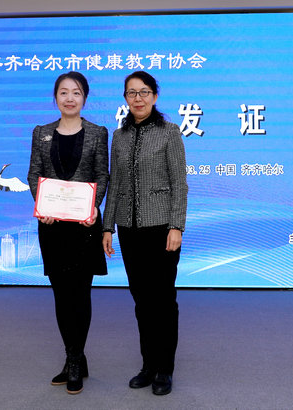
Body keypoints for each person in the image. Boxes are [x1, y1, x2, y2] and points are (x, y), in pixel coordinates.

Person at [102, 70, 188, 396]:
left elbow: (179, 183)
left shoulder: (169, 132)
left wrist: (176, 225)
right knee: (141, 300)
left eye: (144, 92)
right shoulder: (119, 136)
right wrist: (107, 226)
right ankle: (148, 365)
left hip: (162, 229)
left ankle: (165, 368)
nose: (137, 98)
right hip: (129, 229)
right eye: (131, 93)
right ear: (125, 98)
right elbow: (115, 185)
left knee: (162, 300)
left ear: (155, 96)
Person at [27, 71, 109, 395]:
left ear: (84, 98)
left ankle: (74, 360)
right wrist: (42, 204)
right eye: (64, 92)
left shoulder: (98, 133)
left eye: (76, 92)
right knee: (61, 295)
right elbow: (34, 173)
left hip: (85, 227)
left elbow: (102, 175)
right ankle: (75, 357)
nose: (70, 98)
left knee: (80, 294)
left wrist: (93, 207)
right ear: (56, 98)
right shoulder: (42, 133)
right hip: (52, 227)